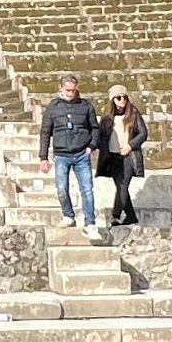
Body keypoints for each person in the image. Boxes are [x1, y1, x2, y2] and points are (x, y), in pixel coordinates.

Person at [38, 74, 104, 234]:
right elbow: (45, 132)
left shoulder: (85, 106)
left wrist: (92, 146)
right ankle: (68, 216)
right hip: (61, 154)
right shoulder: (53, 108)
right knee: (61, 188)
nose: (70, 93)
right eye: (67, 90)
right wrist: (43, 157)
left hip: (82, 153)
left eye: (73, 90)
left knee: (87, 189)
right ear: (61, 88)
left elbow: (95, 127)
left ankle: (90, 222)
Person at [95, 84, 148, 227]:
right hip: (113, 157)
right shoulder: (107, 117)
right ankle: (131, 216)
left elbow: (143, 133)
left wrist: (130, 145)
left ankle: (116, 215)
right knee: (120, 187)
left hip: (129, 156)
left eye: (124, 97)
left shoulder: (134, 114)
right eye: (118, 98)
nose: (122, 100)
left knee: (123, 185)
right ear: (112, 100)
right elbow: (101, 136)